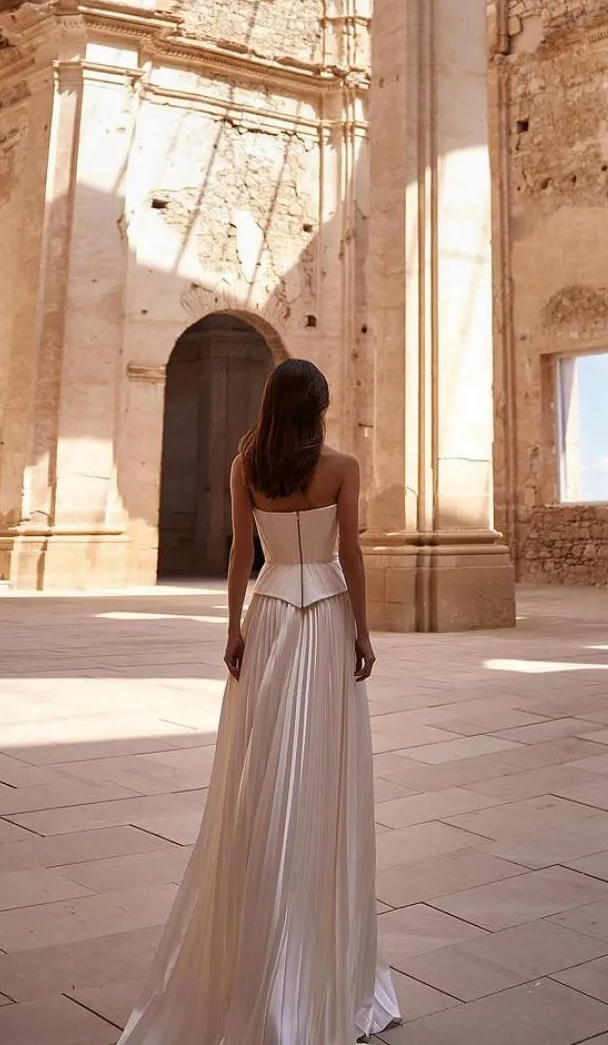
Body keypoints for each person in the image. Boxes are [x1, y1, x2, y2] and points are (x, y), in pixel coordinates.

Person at [116, 359, 401, 1045]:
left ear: (271, 404)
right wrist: (363, 632)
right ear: (320, 406)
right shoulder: (341, 466)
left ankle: (263, 932)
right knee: (322, 774)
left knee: (264, 769)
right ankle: (314, 958)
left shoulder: (246, 465)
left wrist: (235, 626)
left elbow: (241, 553)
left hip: (272, 615)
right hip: (325, 616)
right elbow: (351, 552)